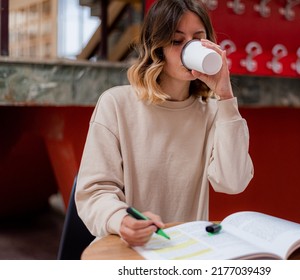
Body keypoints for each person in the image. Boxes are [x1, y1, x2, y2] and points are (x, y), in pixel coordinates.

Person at [75, 0, 254, 247]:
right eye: (177, 40)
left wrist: (225, 96)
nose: (188, 48)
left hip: (187, 251)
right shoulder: (116, 104)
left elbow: (233, 182)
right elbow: (94, 192)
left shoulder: (215, 112)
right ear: (157, 47)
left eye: (197, 39)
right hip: (128, 248)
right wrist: (121, 219)